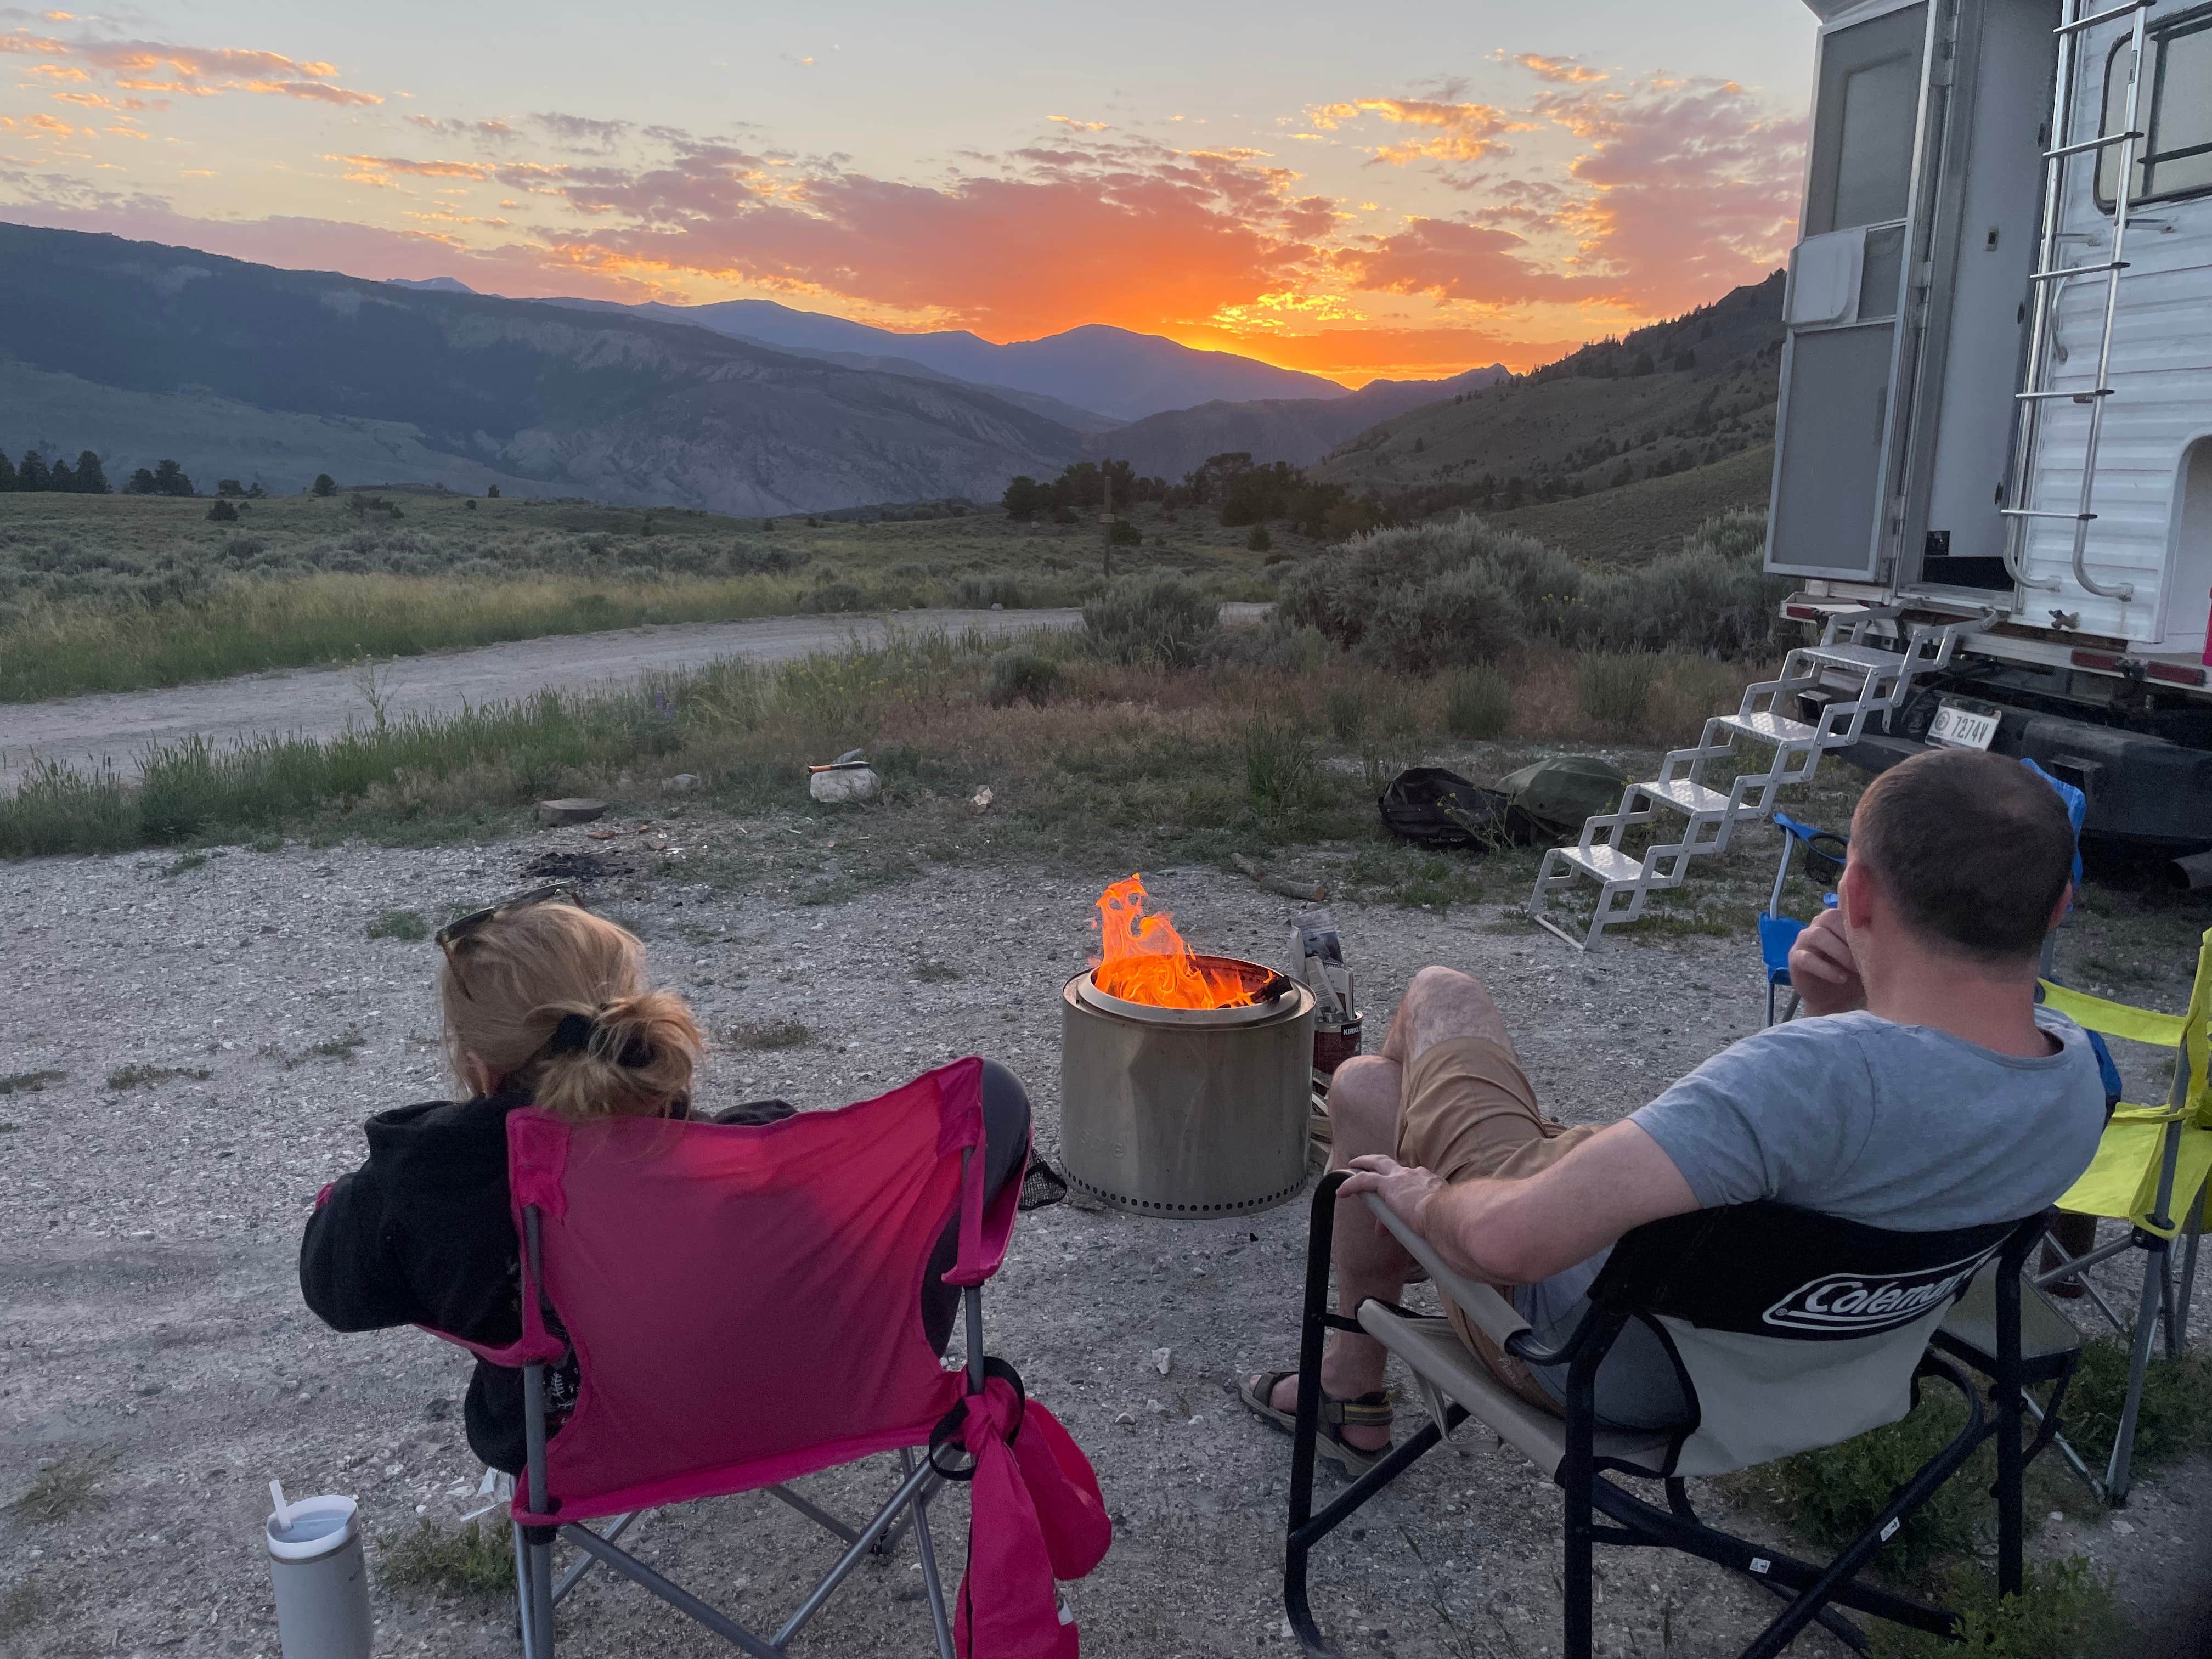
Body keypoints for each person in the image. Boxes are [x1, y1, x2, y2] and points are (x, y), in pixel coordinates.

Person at [1242, 747, 2108, 1474]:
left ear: (1862, 896)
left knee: (1441, 992)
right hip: (1812, 1369)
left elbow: (1507, 1243)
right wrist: (1842, 1011)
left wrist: (1423, 1198)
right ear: (2060, 907)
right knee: (1364, 1093)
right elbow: (1882, 1137)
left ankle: (1347, 1381)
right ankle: (1353, 1388)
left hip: (1596, 1362)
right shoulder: (2077, 1080)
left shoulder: (1803, 1079)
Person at [300, 889, 1031, 1474]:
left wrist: (366, 1190)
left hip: (570, 1448)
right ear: (628, 1022)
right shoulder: (742, 1161)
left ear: (480, 1065)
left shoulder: (430, 1186)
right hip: (809, 1401)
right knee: (990, 1097)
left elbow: (334, 1289)